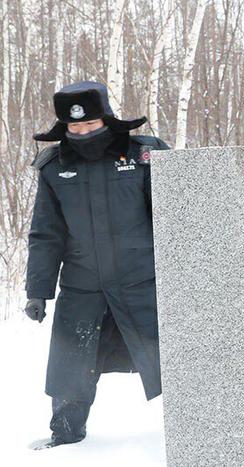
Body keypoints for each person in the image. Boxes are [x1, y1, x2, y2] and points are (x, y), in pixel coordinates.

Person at [24, 81, 169, 449]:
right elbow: (47, 233)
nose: (84, 133)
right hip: (82, 286)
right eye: (75, 128)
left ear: (106, 118)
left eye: (91, 125)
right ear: (65, 127)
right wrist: (38, 291)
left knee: (172, 362)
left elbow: (176, 220)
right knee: (70, 368)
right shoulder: (55, 166)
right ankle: (66, 437)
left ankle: (199, 426)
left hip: (143, 284)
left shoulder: (144, 155)